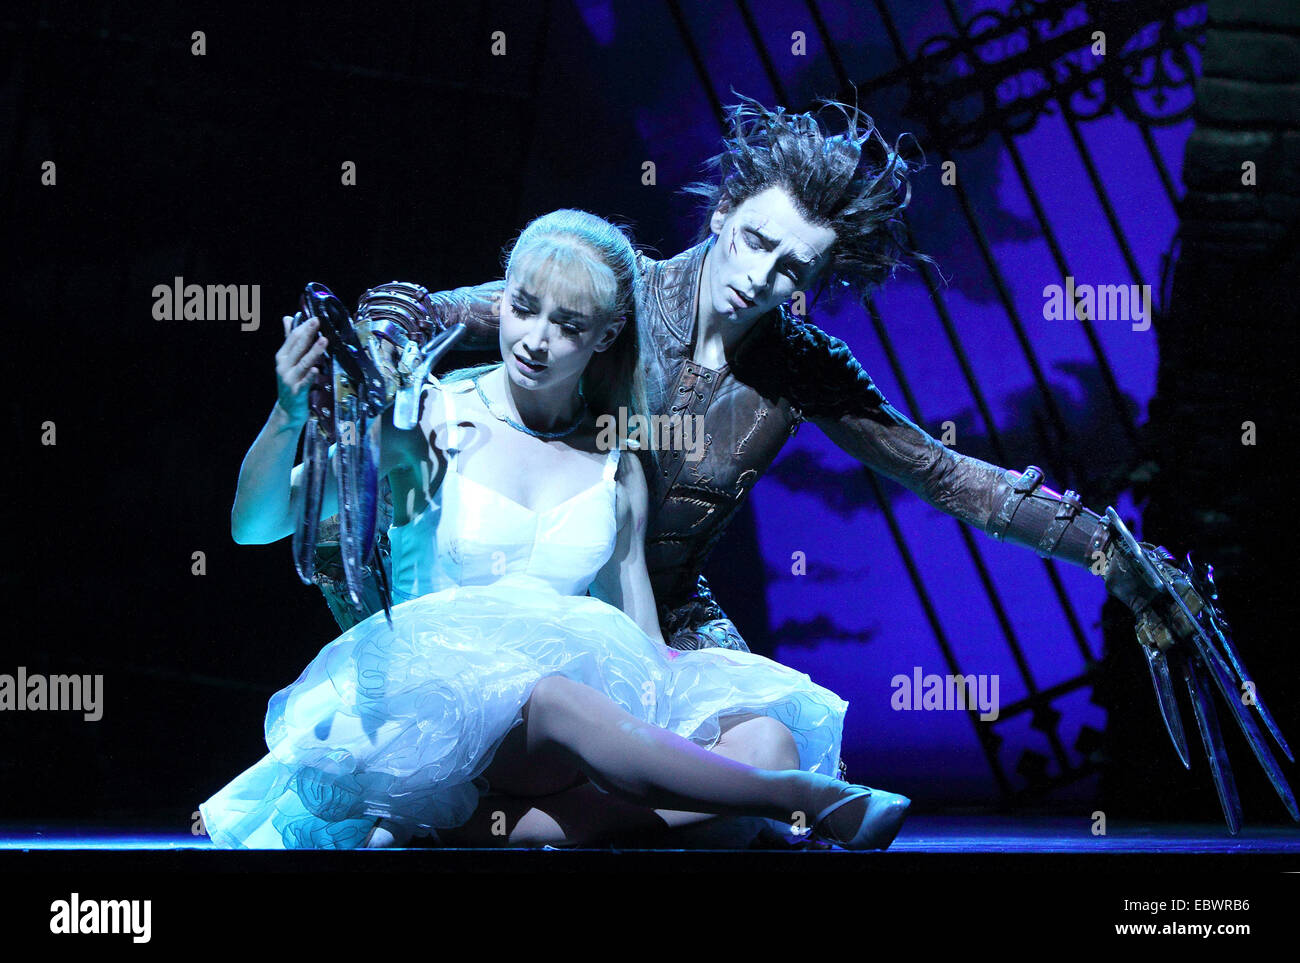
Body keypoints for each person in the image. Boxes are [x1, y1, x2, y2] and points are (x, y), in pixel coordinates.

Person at [343, 95, 1196, 845]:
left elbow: (943, 474)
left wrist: (1113, 552)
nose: (760, 276)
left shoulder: (803, 366)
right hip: (548, 609)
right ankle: (531, 813)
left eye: (792, 268)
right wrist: (382, 331)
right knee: (699, 791)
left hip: (667, 617)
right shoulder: (616, 292)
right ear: (721, 214)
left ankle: (539, 832)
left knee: (769, 752)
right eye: (755, 241)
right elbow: (441, 310)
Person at [198, 208, 911, 850]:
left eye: (567, 325)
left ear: (606, 336)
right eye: (522, 308)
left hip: (573, 734)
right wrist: (289, 415)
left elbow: (640, 640)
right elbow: (254, 526)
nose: (536, 340)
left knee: (767, 736)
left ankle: (500, 832)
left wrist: (706, 713)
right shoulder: (431, 417)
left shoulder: (614, 459)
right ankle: (801, 800)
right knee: (555, 699)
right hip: (445, 711)